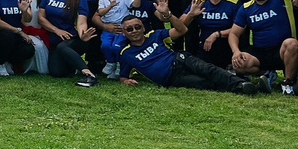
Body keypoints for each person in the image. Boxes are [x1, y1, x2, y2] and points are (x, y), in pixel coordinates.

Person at [107, 12, 257, 94]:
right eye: (130, 29)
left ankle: (242, 85)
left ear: (143, 27)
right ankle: (246, 86)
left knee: (208, 70)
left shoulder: (155, 35)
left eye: (137, 27)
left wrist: (169, 14)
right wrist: (125, 81)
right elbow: (123, 76)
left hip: (180, 59)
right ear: (124, 33)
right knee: (204, 83)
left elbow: (182, 30)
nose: (135, 31)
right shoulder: (126, 53)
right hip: (172, 78)